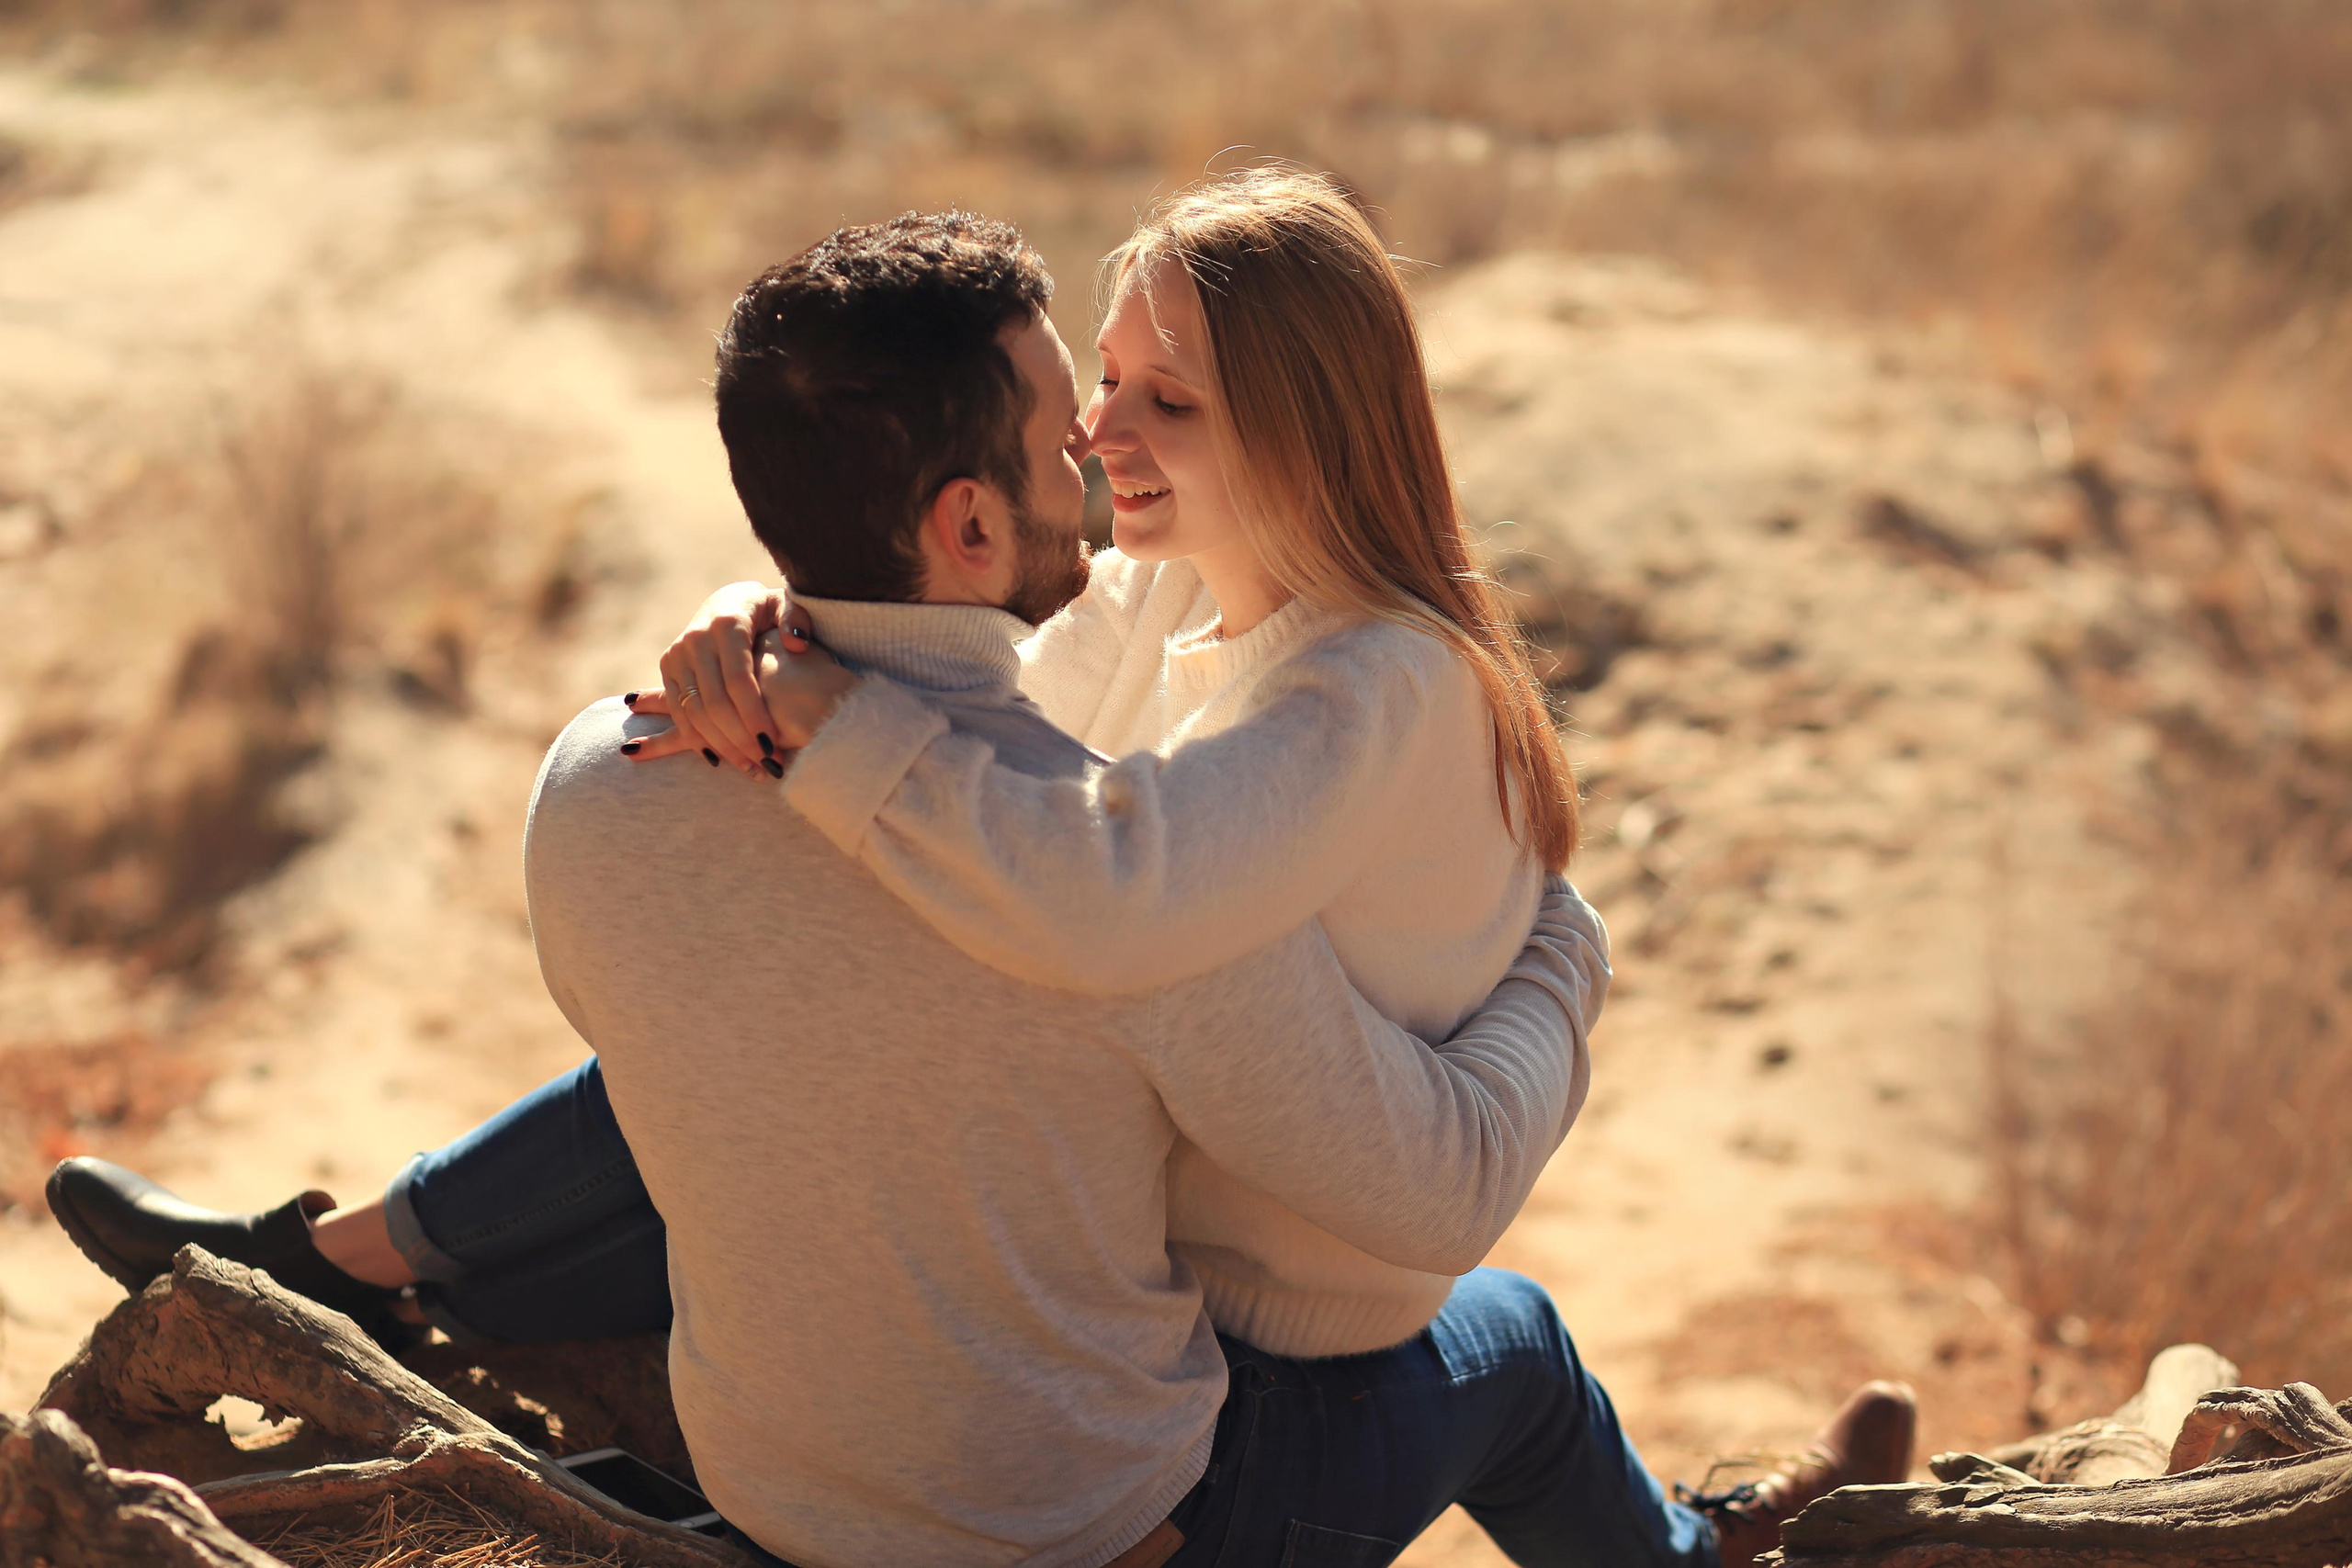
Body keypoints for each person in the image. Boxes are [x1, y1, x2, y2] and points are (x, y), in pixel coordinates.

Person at [51, 197, 1912, 1566]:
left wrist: (771, 659)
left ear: (1298, 432)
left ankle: (335, 1261)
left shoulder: (611, 783)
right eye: (1087, 404)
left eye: (1157, 408)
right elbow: (1399, 1156)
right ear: (964, 519)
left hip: (1023, 1376)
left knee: (733, 1053)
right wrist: (764, 622)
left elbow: (1101, 877)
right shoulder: (1154, 759)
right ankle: (1688, 1551)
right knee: (1516, 1345)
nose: (1100, 448)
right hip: (1135, 1452)